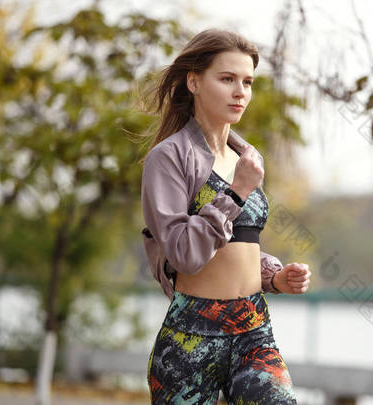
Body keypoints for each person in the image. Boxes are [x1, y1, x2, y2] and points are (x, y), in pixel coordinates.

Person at [138, 28, 312, 404]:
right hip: (191, 337)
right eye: (227, 79)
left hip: (253, 329)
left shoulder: (245, 158)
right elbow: (183, 253)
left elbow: (241, 243)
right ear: (194, 81)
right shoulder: (168, 158)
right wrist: (235, 192)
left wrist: (273, 276)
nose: (240, 92)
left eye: (247, 82)